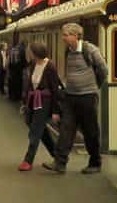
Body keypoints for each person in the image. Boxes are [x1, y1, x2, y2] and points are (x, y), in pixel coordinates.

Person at [48, 23, 108, 174]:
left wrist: (94, 87)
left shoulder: (90, 50)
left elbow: (103, 70)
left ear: (75, 36)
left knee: (90, 131)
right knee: (66, 129)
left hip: (87, 97)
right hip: (70, 97)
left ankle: (95, 163)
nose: (63, 38)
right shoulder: (68, 50)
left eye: (66, 35)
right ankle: (60, 162)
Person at [18, 42, 63, 171]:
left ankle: (28, 160)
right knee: (37, 128)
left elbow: (54, 90)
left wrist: (55, 111)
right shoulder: (33, 64)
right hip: (33, 100)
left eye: (29, 51)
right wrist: (25, 101)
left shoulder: (50, 67)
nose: (27, 53)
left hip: (45, 102)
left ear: (35, 53)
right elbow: (30, 85)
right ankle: (57, 156)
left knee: (35, 131)